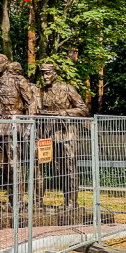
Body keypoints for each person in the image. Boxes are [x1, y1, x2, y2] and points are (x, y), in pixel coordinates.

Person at [0, 53, 38, 212]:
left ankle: (19, 201)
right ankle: (11, 200)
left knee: (14, 164)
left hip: (14, 127)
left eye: (0, 63)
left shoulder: (18, 81)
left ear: (6, 63)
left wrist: (29, 125)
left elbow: (31, 103)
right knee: (3, 166)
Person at [36, 62, 88, 209]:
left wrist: (65, 113)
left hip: (68, 133)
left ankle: (72, 203)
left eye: (47, 73)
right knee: (59, 169)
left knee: (70, 167)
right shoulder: (41, 92)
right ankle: (66, 201)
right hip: (51, 134)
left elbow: (83, 109)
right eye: (42, 74)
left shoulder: (67, 89)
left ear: (54, 74)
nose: (44, 77)